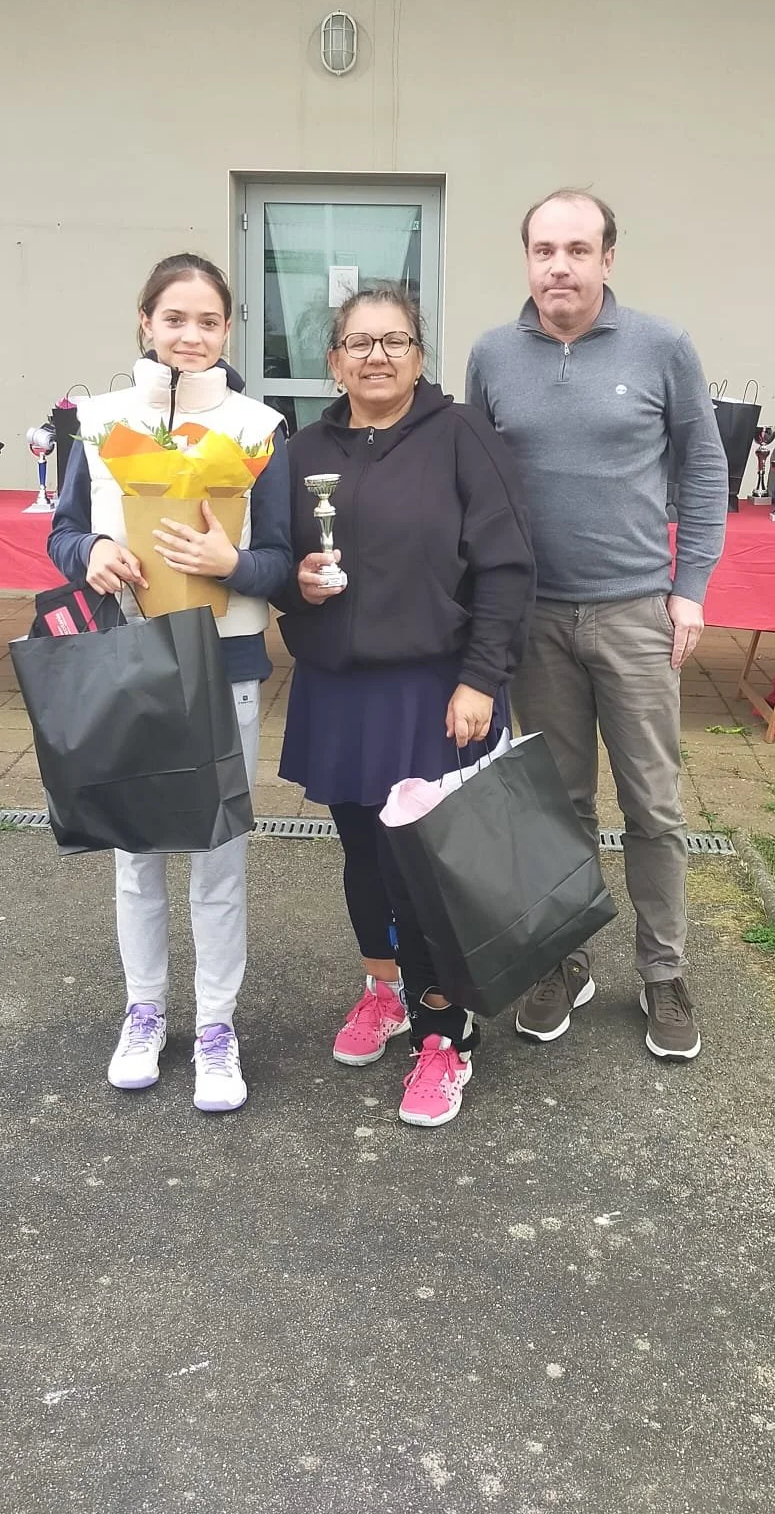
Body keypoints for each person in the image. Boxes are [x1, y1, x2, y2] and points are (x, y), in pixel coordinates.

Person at [466, 190, 727, 1062]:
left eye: (578, 249)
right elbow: (480, 486)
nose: (560, 267)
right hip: (534, 619)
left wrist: (689, 587)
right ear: (527, 259)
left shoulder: (662, 348)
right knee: (560, 802)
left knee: (653, 804)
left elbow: (703, 469)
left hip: (634, 613)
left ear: (608, 259)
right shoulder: (494, 356)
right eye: (544, 249)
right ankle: (566, 957)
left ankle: (662, 972)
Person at [276, 284, 534, 1129]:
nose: (376, 356)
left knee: (424, 872)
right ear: (333, 361)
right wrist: (295, 584)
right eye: (358, 342)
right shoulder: (302, 449)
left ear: (420, 355)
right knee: (361, 855)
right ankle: (382, 991)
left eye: (394, 341)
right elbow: (275, 563)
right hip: (340, 690)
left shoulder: (462, 438)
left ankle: (443, 1035)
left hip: (434, 691)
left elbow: (506, 569)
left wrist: (481, 680)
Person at [48, 254, 291, 1112]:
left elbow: (284, 560)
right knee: (136, 853)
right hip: (129, 659)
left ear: (230, 331)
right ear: (144, 323)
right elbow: (65, 532)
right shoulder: (99, 421)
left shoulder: (260, 427)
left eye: (210, 322)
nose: (192, 336)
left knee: (218, 858)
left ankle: (218, 1024)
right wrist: (93, 555)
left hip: (222, 664)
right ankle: (145, 1010)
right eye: (175, 319)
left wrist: (236, 565)